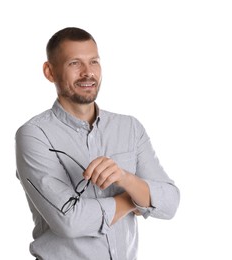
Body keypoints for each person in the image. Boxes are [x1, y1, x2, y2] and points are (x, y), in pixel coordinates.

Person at [15, 27, 180, 260]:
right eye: (74, 63)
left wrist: (126, 179)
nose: (87, 73)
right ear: (49, 71)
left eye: (94, 61)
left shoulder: (130, 128)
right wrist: (138, 199)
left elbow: (170, 203)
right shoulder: (34, 134)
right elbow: (70, 220)